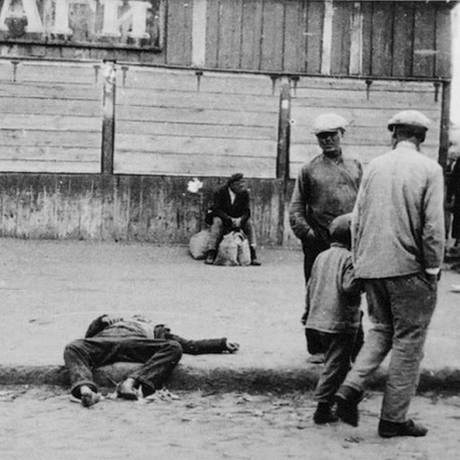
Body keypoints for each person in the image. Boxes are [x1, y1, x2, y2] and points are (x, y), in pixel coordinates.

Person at [334, 110, 445, 438]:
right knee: (409, 342)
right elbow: (433, 228)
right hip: (409, 269)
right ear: (421, 138)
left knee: (381, 330)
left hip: (372, 267)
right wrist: (432, 268)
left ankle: (351, 387)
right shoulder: (430, 169)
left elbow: (357, 218)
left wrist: (361, 263)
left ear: (393, 134)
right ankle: (393, 419)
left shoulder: (374, 166)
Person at [64, 314, 239, 407]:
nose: (138, 318)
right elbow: (88, 339)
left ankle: (131, 383)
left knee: (174, 347)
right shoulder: (111, 323)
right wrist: (100, 321)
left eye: (142, 318)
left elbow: (190, 346)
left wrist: (221, 344)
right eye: (136, 317)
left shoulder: (155, 329)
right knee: (73, 346)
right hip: (106, 343)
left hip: (138, 344)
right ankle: (86, 391)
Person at [301, 214, 363, 424]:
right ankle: (323, 407)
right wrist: (363, 278)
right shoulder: (350, 259)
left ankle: (336, 402)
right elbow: (349, 287)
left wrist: (307, 311)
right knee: (337, 365)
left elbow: (310, 286)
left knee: (336, 363)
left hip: (318, 319)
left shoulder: (321, 256)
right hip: (340, 322)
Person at [289, 113, 363, 283]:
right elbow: (296, 207)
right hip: (319, 239)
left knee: (348, 287)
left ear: (341, 134)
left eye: (332, 135)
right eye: (322, 136)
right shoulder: (309, 169)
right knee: (317, 287)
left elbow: (364, 200)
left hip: (350, 238)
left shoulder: (355, 164)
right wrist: (308, 234)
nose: (327, 140)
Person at [204, 173, 260, 266]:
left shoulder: (244, 193)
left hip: (237, 218)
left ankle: (253, 254)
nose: (241, 186)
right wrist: (229, 219)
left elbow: (247, 211)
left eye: (242, 184)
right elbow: (216, 209)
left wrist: (240, 220)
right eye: (239, 184)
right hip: (223, 217)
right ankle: (211, 252)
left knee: (249, 224)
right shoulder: (220, 192)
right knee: (217, 222)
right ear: (232, 184)